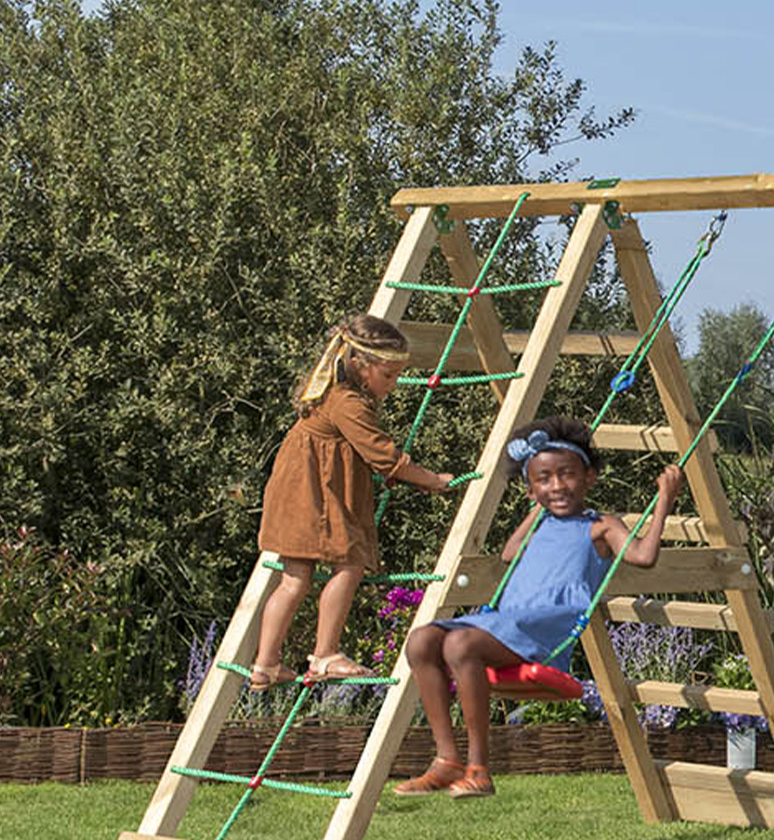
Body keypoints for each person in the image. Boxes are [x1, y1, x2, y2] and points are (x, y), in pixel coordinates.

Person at [394, 416, 686, 799]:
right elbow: (510, 552)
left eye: (567, 475)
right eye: (544, 479)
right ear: (531, 490)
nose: (557, 486)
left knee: (458, 645)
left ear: (589, 478)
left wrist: (665, 500)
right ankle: (447, 759)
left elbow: (644, 556)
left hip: (545, 631)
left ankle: (479, 768)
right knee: (420, 641)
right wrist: (538, 506)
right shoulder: (540, 523)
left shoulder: (600, 526)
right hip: (507, 622)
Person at [252, 315, 453, 689]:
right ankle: (326, 653)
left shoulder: (328, 391)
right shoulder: (348, 403)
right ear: (360, 365)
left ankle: (265, 665)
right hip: (314, 495)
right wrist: (431, 480)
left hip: (295, 490)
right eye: (388, 375)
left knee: (293, 581)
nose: (393, 384)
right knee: (350, 564)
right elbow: (383, 455)